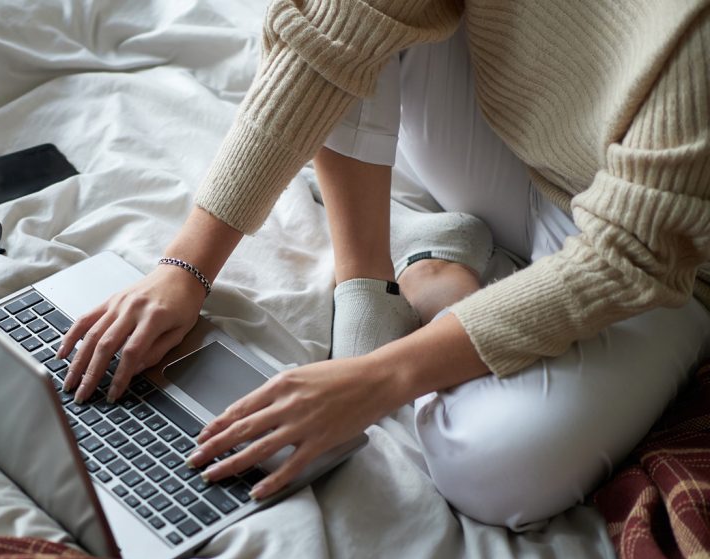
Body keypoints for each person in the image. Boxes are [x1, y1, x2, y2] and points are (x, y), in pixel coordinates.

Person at [57, 0, 710, 529]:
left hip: (655, 261)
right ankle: (367, 277)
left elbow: (630, 255)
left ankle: (435, 268)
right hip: (511, 139)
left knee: (490, 467)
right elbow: (323, 38)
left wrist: (381, 377)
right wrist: (186, 267)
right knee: (347, 19)